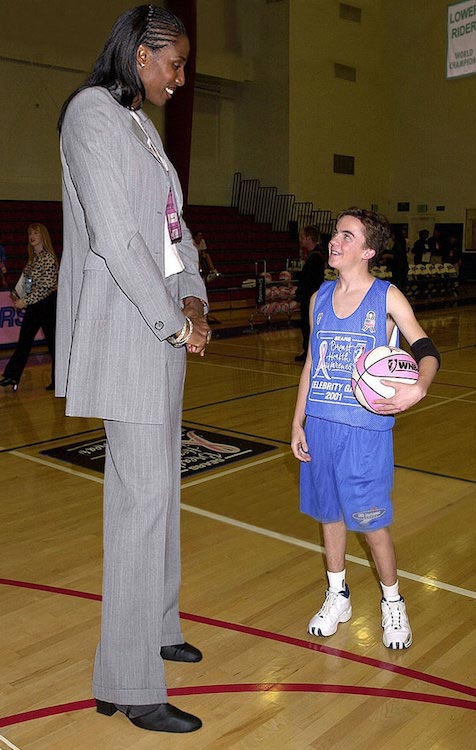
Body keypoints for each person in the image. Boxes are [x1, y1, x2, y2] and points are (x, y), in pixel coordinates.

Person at [56, 5, 210, 734]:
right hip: (130, 336)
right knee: (139, 506)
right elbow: (118, 240)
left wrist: (196, 303)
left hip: (164, 336)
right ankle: (127, 681)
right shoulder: (91, 115)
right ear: (141, 54)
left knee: (158, 497)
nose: (180, 78)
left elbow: (172, 233)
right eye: (174, 63)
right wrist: (173, 318)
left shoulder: (142, 129)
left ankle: (156, 627)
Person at [291, 207, 440, 650]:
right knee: (329, 514)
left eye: (347, 235)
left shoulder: (387, 296)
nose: (335, 241)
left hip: (364, 430)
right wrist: (298, 419)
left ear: (368, 250)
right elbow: (312, 362)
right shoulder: (318, 297)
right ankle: (337, 594)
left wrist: (420, 388)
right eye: (336, 233)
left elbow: (427, 348)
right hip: (320, 423)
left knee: (372, 522)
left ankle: (392, 600)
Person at [0, 223, 57, 391]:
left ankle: (59, 380)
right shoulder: (33, 260)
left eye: (35, 233)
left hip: (47, 305)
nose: (32, 236)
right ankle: (12, 376)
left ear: (42, 236)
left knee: (53, 345)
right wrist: (16, 295)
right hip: (34, 305)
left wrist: (25, 301)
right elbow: (25, 283)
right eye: (30, 233)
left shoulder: (48, 258)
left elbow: (46, 287)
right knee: (24, 342)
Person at [294, 225, 327, 361]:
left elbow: (309, 280)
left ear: (309, 238)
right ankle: (307, 350)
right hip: (310, 296)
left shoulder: (315, 257)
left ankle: (309, 352)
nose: (300, 240)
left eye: (302, 237)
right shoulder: (315, 255)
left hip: (310, 297)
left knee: (308, 325)